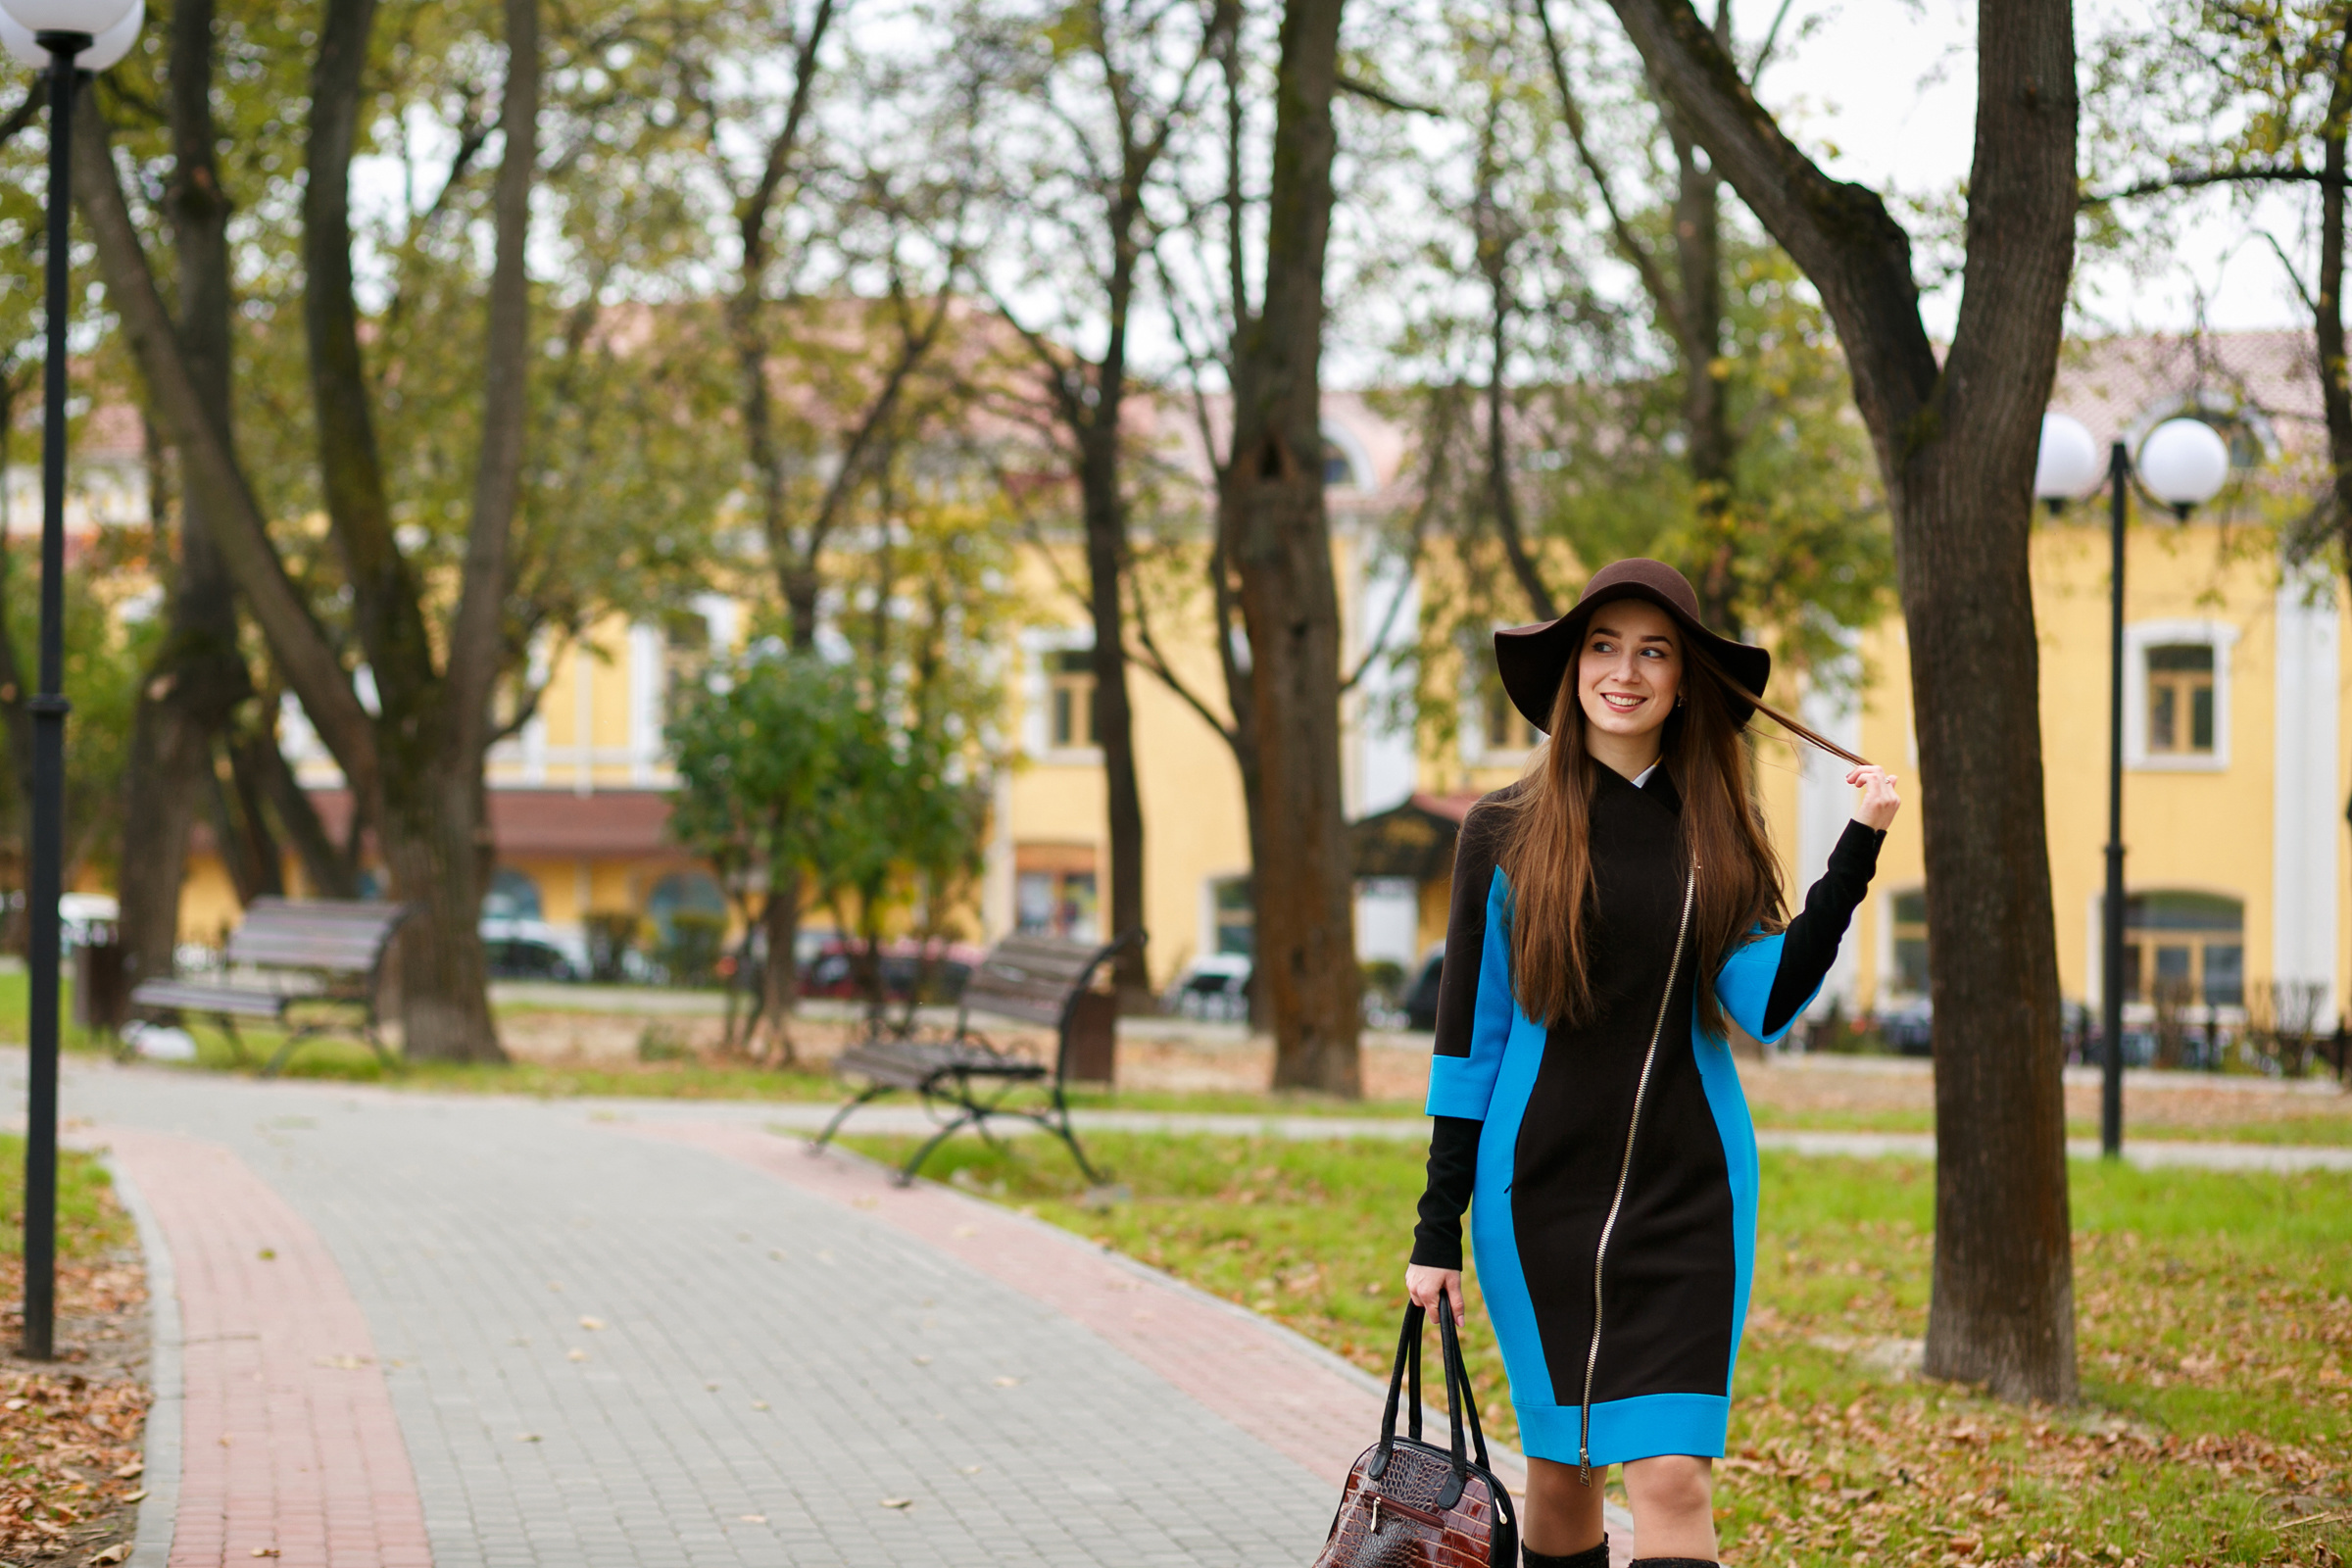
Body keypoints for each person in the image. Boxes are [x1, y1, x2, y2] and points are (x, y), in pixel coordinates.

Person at [1403, 560, 1900, 1568]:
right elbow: (1471, 1041)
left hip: (1691, 1192)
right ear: (1572, 667)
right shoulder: (1501, 830)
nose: (1624, 671)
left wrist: (1856, 852)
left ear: (1682, 682)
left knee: (1672, 1473)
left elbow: (1765, 999)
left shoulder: (1716, 826)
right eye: (1603, 645)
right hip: (1534, 1192)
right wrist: (1435, 1229)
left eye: (1653, 651)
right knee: (1563, 1469)